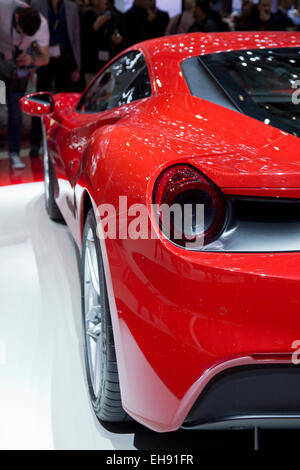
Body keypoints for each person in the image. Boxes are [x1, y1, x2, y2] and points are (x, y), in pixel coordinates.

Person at [0, 0, 49, 169]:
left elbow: (45, 58)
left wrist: (32, 59)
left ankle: (14, 153)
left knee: (15, 110)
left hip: (17, 70)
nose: (22, 37)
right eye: (21, 32)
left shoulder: (42, 24)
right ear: (17, 18)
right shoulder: (3, 8)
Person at [30, 0, 81, 157]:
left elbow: (75, 37)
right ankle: (35, 143)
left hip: (64, 59)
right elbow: (30, 35)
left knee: (63, 104)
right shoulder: (37, 4)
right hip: (43, 60)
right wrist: (32, 64)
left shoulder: (70, 7)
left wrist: (77, 66)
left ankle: (62, 142)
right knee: (40, 102)